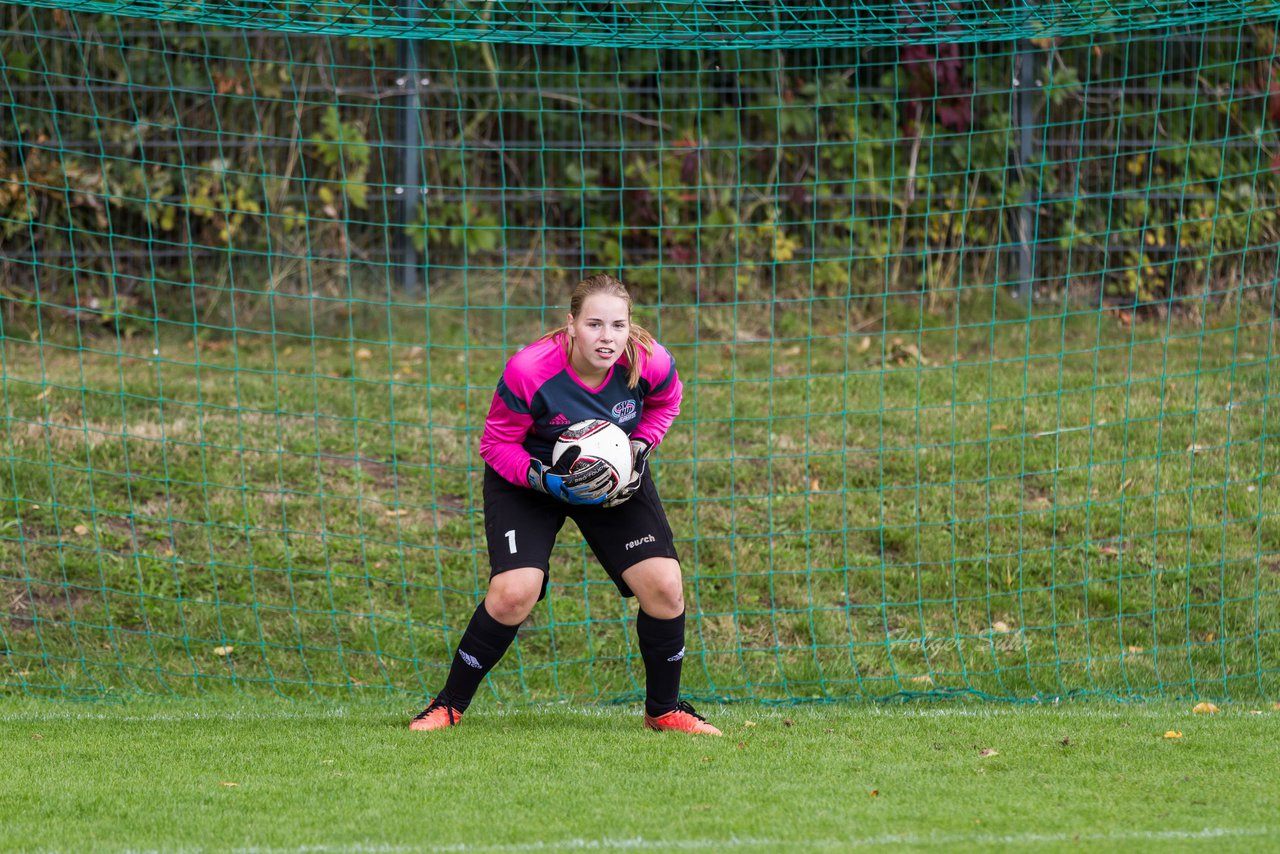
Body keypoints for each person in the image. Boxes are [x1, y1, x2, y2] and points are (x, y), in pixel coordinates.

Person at [410, 274, 720, 736]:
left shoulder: (648, 359)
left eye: (617, 325)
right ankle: (448, 705)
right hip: (530, 478)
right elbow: (495, 445)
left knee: (665, 586)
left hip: (611, 476)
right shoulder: (529, 369)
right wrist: (547, 480)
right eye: (594, 324)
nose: (607, 337)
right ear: (570, 324)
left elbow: (666, 403)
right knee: (514, 593)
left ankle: (665, 709)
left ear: (630, 326)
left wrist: (638, 449)